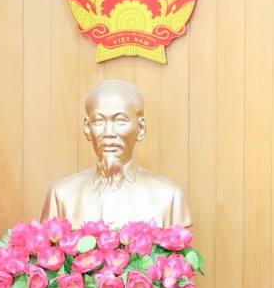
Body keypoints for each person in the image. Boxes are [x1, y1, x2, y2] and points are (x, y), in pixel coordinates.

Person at [39, 79, 192, 227]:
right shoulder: (61, 196)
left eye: (120, 121)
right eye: (98, 121)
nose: (108, 133)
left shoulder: (169, 197)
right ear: (87, 127)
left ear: (140, 128)